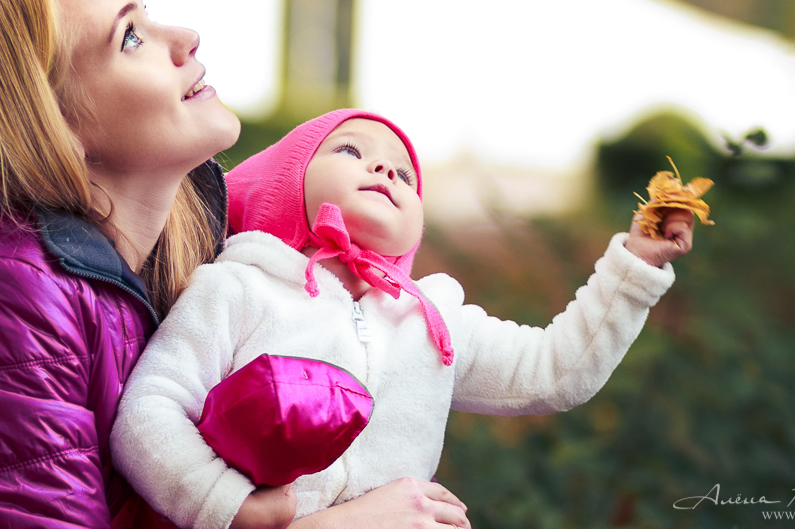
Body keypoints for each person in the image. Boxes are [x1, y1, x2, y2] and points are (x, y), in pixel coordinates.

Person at [0, 0, 467, 529]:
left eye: (146, 11)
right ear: (54, 124)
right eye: (131, 37)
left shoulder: (203, 258)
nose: (185, 37)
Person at [114, 109, 694, 529]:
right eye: (350, 151)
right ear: (287, 180)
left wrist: (634, 268)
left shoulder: (432, 319)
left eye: (405, 173)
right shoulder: (239, 286)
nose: (385, 170)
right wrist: (229, 507)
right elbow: (147, 413)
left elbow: (554, 371)